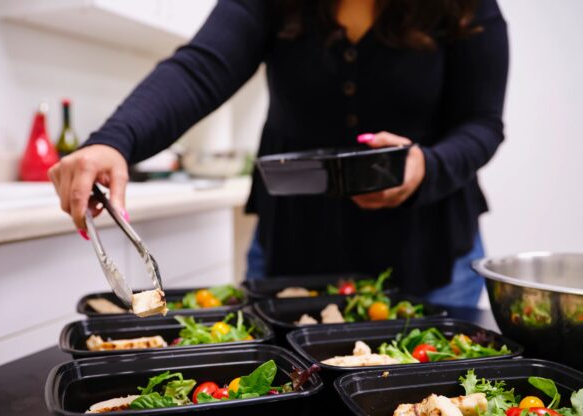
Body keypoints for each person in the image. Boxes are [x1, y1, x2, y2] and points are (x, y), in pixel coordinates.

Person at [49, 0, 508, 308]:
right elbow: (201, 68)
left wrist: (427, 165)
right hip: (293, 250)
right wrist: (114, 140)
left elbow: (482, 123)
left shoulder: (465, 8)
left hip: (433, 256)